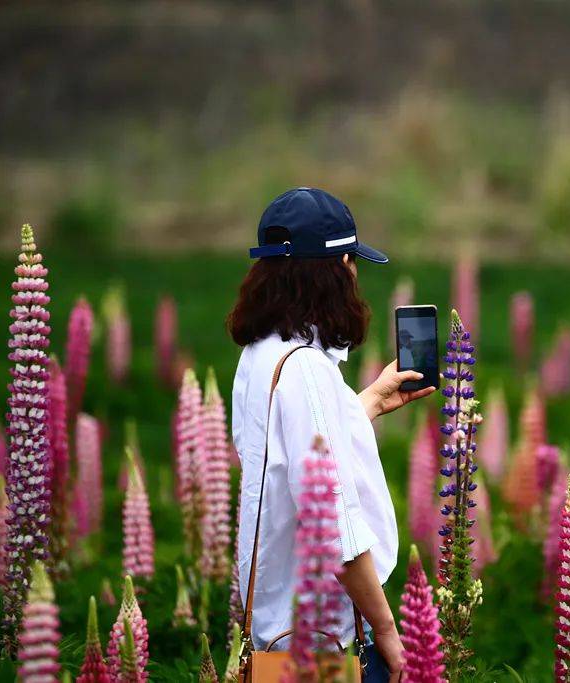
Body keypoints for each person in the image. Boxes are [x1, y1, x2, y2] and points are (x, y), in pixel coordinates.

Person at [227, 188, 435, 682]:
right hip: (323, 648)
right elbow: (336, 531)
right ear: (340, 266)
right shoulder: (306, 371)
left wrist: (370, 402)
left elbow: (287, 456)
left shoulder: (261, 356)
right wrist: (387, 631)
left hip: (278, 639)